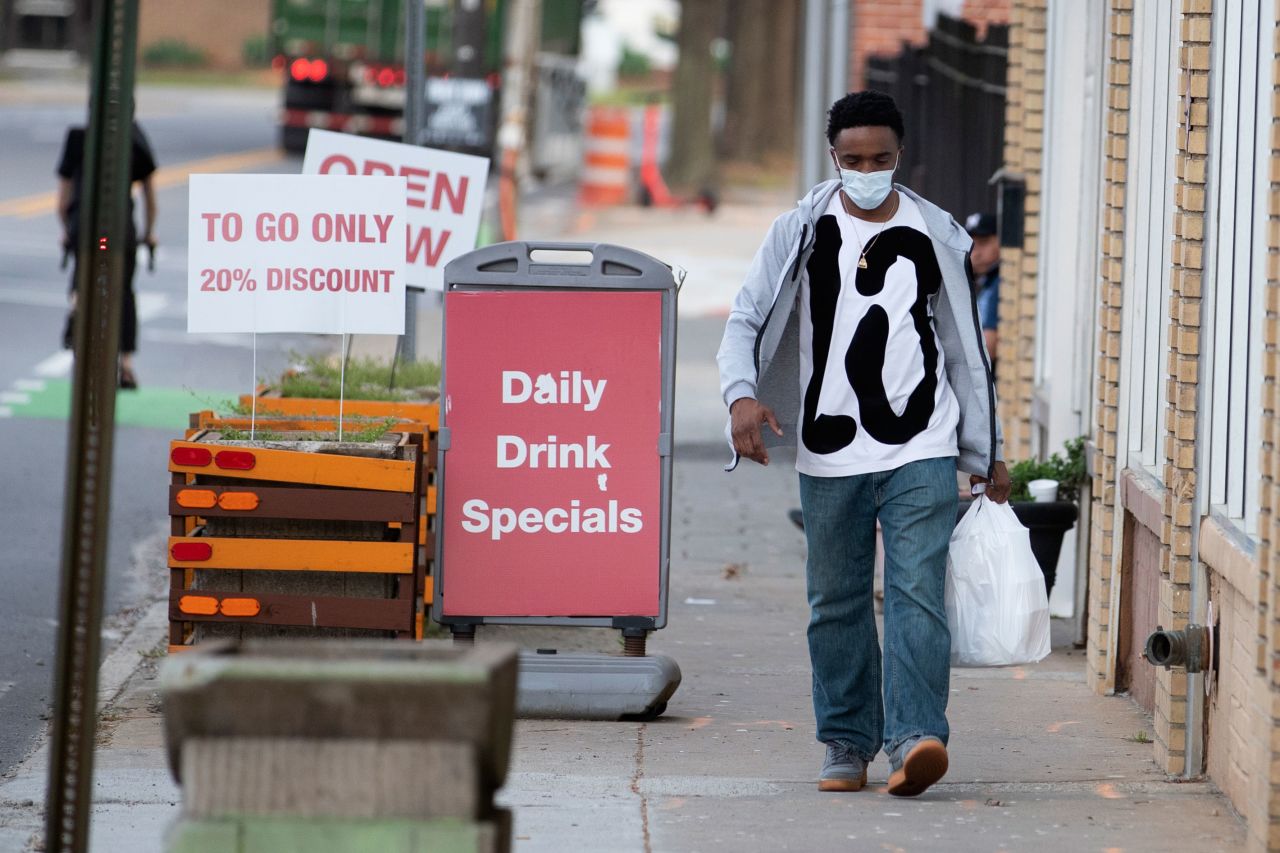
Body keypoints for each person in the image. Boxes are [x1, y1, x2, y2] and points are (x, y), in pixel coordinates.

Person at [717, 90, 1010, 797]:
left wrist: (986, 448)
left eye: (880, 158)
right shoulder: (800, 229)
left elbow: (966, 351)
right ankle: (847, 740)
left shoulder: (938, 232)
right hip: (829, 449)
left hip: (923, 444)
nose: (868, 170)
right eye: (854, 159)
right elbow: (745, 317)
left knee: (917, 592)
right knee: (837, 600)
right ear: (833, 158)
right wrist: (740, 396)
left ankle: (916, 737)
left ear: (899, 155)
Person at [57, 120, 157, 389]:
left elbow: (63, 198)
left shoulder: (78, 137)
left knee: (83, 275)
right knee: (123, 290)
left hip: (85, 226)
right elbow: (149, 195)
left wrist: (66, 230)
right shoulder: (134, 138)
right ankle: (125, 365)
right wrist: (149, 232)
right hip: (118, 229)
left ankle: (78, 307)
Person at [965, 211, 1001, 371]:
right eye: (971, 245)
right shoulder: (988, 282)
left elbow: (988, 349)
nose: (976, 254)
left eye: (984, 243)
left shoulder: (1000, 283)